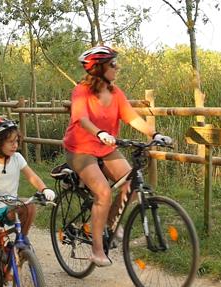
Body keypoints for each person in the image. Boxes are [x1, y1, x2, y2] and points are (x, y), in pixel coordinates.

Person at [62, 46, 173, 267]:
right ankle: (96, 250)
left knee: (131, 182)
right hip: (80, 148)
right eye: (112, 64)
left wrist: (155, 134)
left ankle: (110, 222)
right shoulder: (81, 92)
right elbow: (82, 118)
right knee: (103, 192)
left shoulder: (115, 93)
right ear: (98, 68)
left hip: (106, 147)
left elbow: (131, 117)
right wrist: (100, 132)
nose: (117, 67)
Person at [0, 116, 56, 287]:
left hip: (9, 205)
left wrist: (44, 189)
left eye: (16, 141)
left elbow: (31, 176)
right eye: (10, 142)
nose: (15, 145)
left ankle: (19, 245)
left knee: (29, 206)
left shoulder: (17, 158)